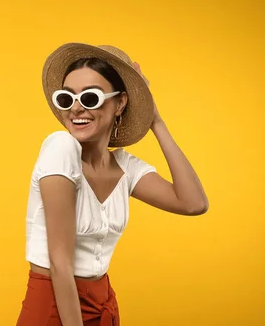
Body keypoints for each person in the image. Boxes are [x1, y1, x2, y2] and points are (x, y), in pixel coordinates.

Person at [15, 43, 209, 326]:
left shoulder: (125, 166)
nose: (77, 108)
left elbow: (194, 204)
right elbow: (60, 264)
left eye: (91, 97)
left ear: (120, 103)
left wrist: (155, 120)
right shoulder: (60, 147)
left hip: (103, 303)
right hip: (55, 305)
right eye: (67, 99)